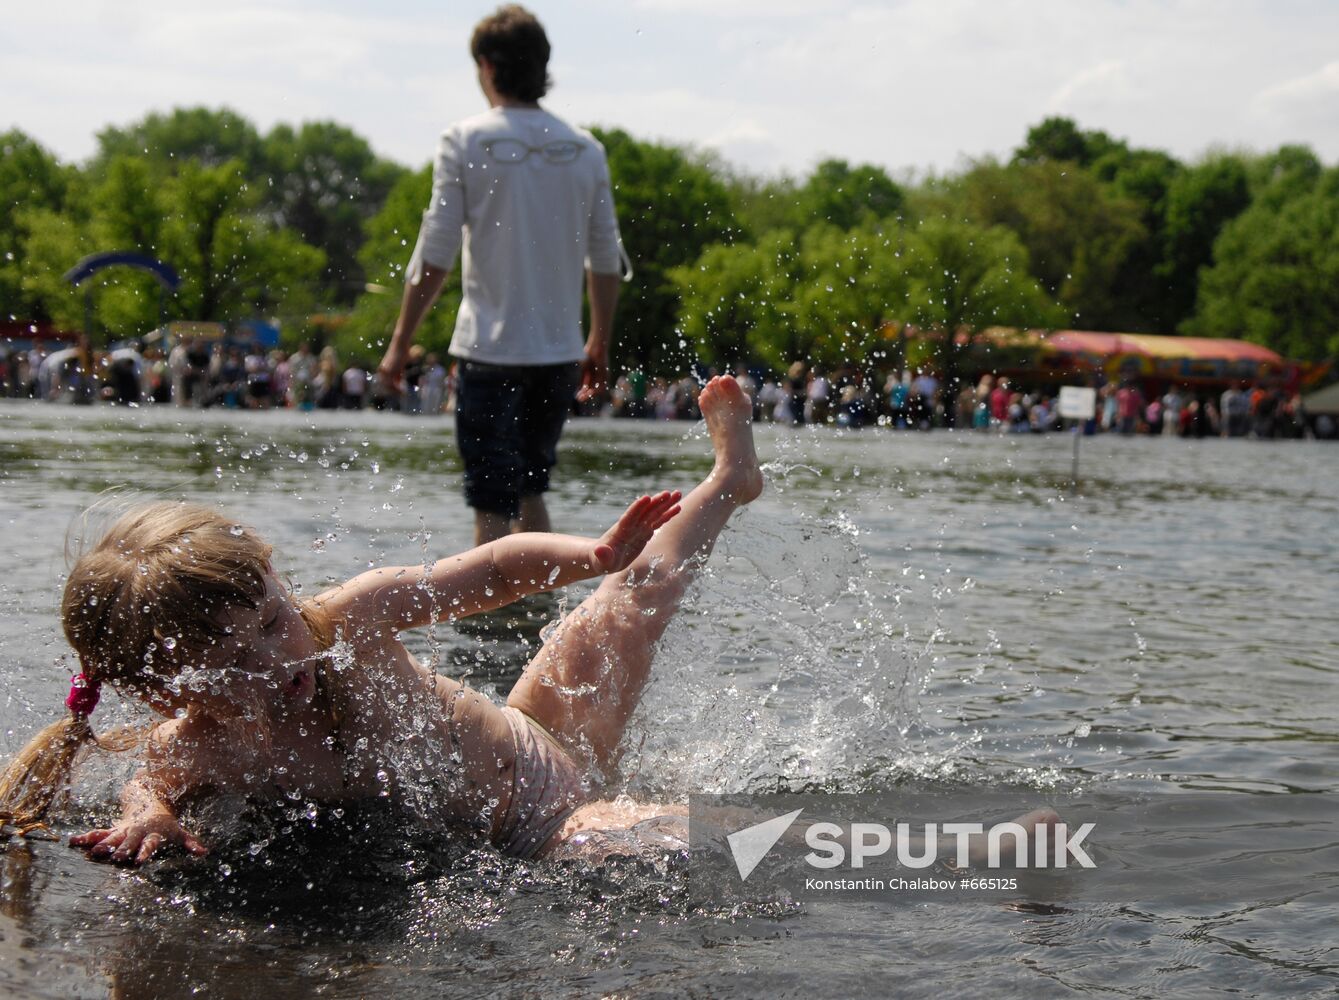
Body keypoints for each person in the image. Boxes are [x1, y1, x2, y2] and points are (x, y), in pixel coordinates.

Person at [0, 377, 767, 866]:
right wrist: (153, 822)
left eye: (271, 622)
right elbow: (149, 785)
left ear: (276, 572)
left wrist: (591, 553)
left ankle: (728, 481)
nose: (270, 661)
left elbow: (491, 570)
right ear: (169, 690)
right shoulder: (197, 744)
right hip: (538, 830)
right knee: (617, 839)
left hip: (535, 734)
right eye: (229, 664)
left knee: (636, 589)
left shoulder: (351, 618)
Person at [377, 5, 627, 546]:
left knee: (491, 500)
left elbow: (435, 251)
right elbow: (606, 259)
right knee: (532, 488)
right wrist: (599, 342)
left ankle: (489, 627)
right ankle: (544, 617)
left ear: (487, 67)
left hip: (489, 351)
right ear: (542, 65)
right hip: (559, 353)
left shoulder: (464, 140)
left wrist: (400, 343)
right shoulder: (587, 150)